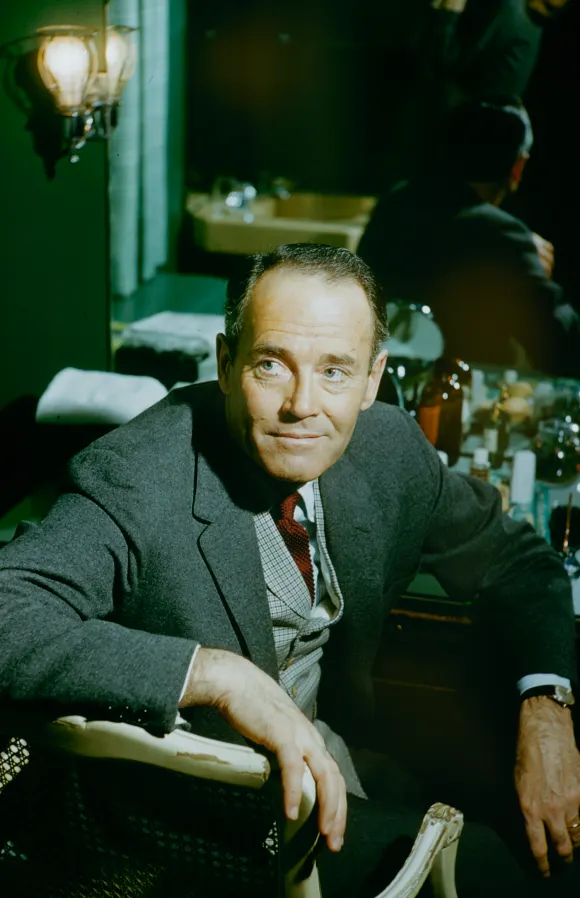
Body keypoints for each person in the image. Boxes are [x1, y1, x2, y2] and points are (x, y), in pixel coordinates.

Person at [0, 243, 579, 895]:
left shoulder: (387, 448)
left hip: (345, 763)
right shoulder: (138, 476)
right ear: (225, 363)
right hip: (190, 828)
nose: (303, 404)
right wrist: (214, 674)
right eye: (272, 364)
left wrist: (547, 705)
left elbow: (518, 558)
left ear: (372, 380)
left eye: (335, 371)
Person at [357, 98, 580, 374]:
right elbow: (560, 344)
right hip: (458, 397)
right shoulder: (503, 235)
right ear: (518, 167)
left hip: (380, 383)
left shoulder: (392, 204)